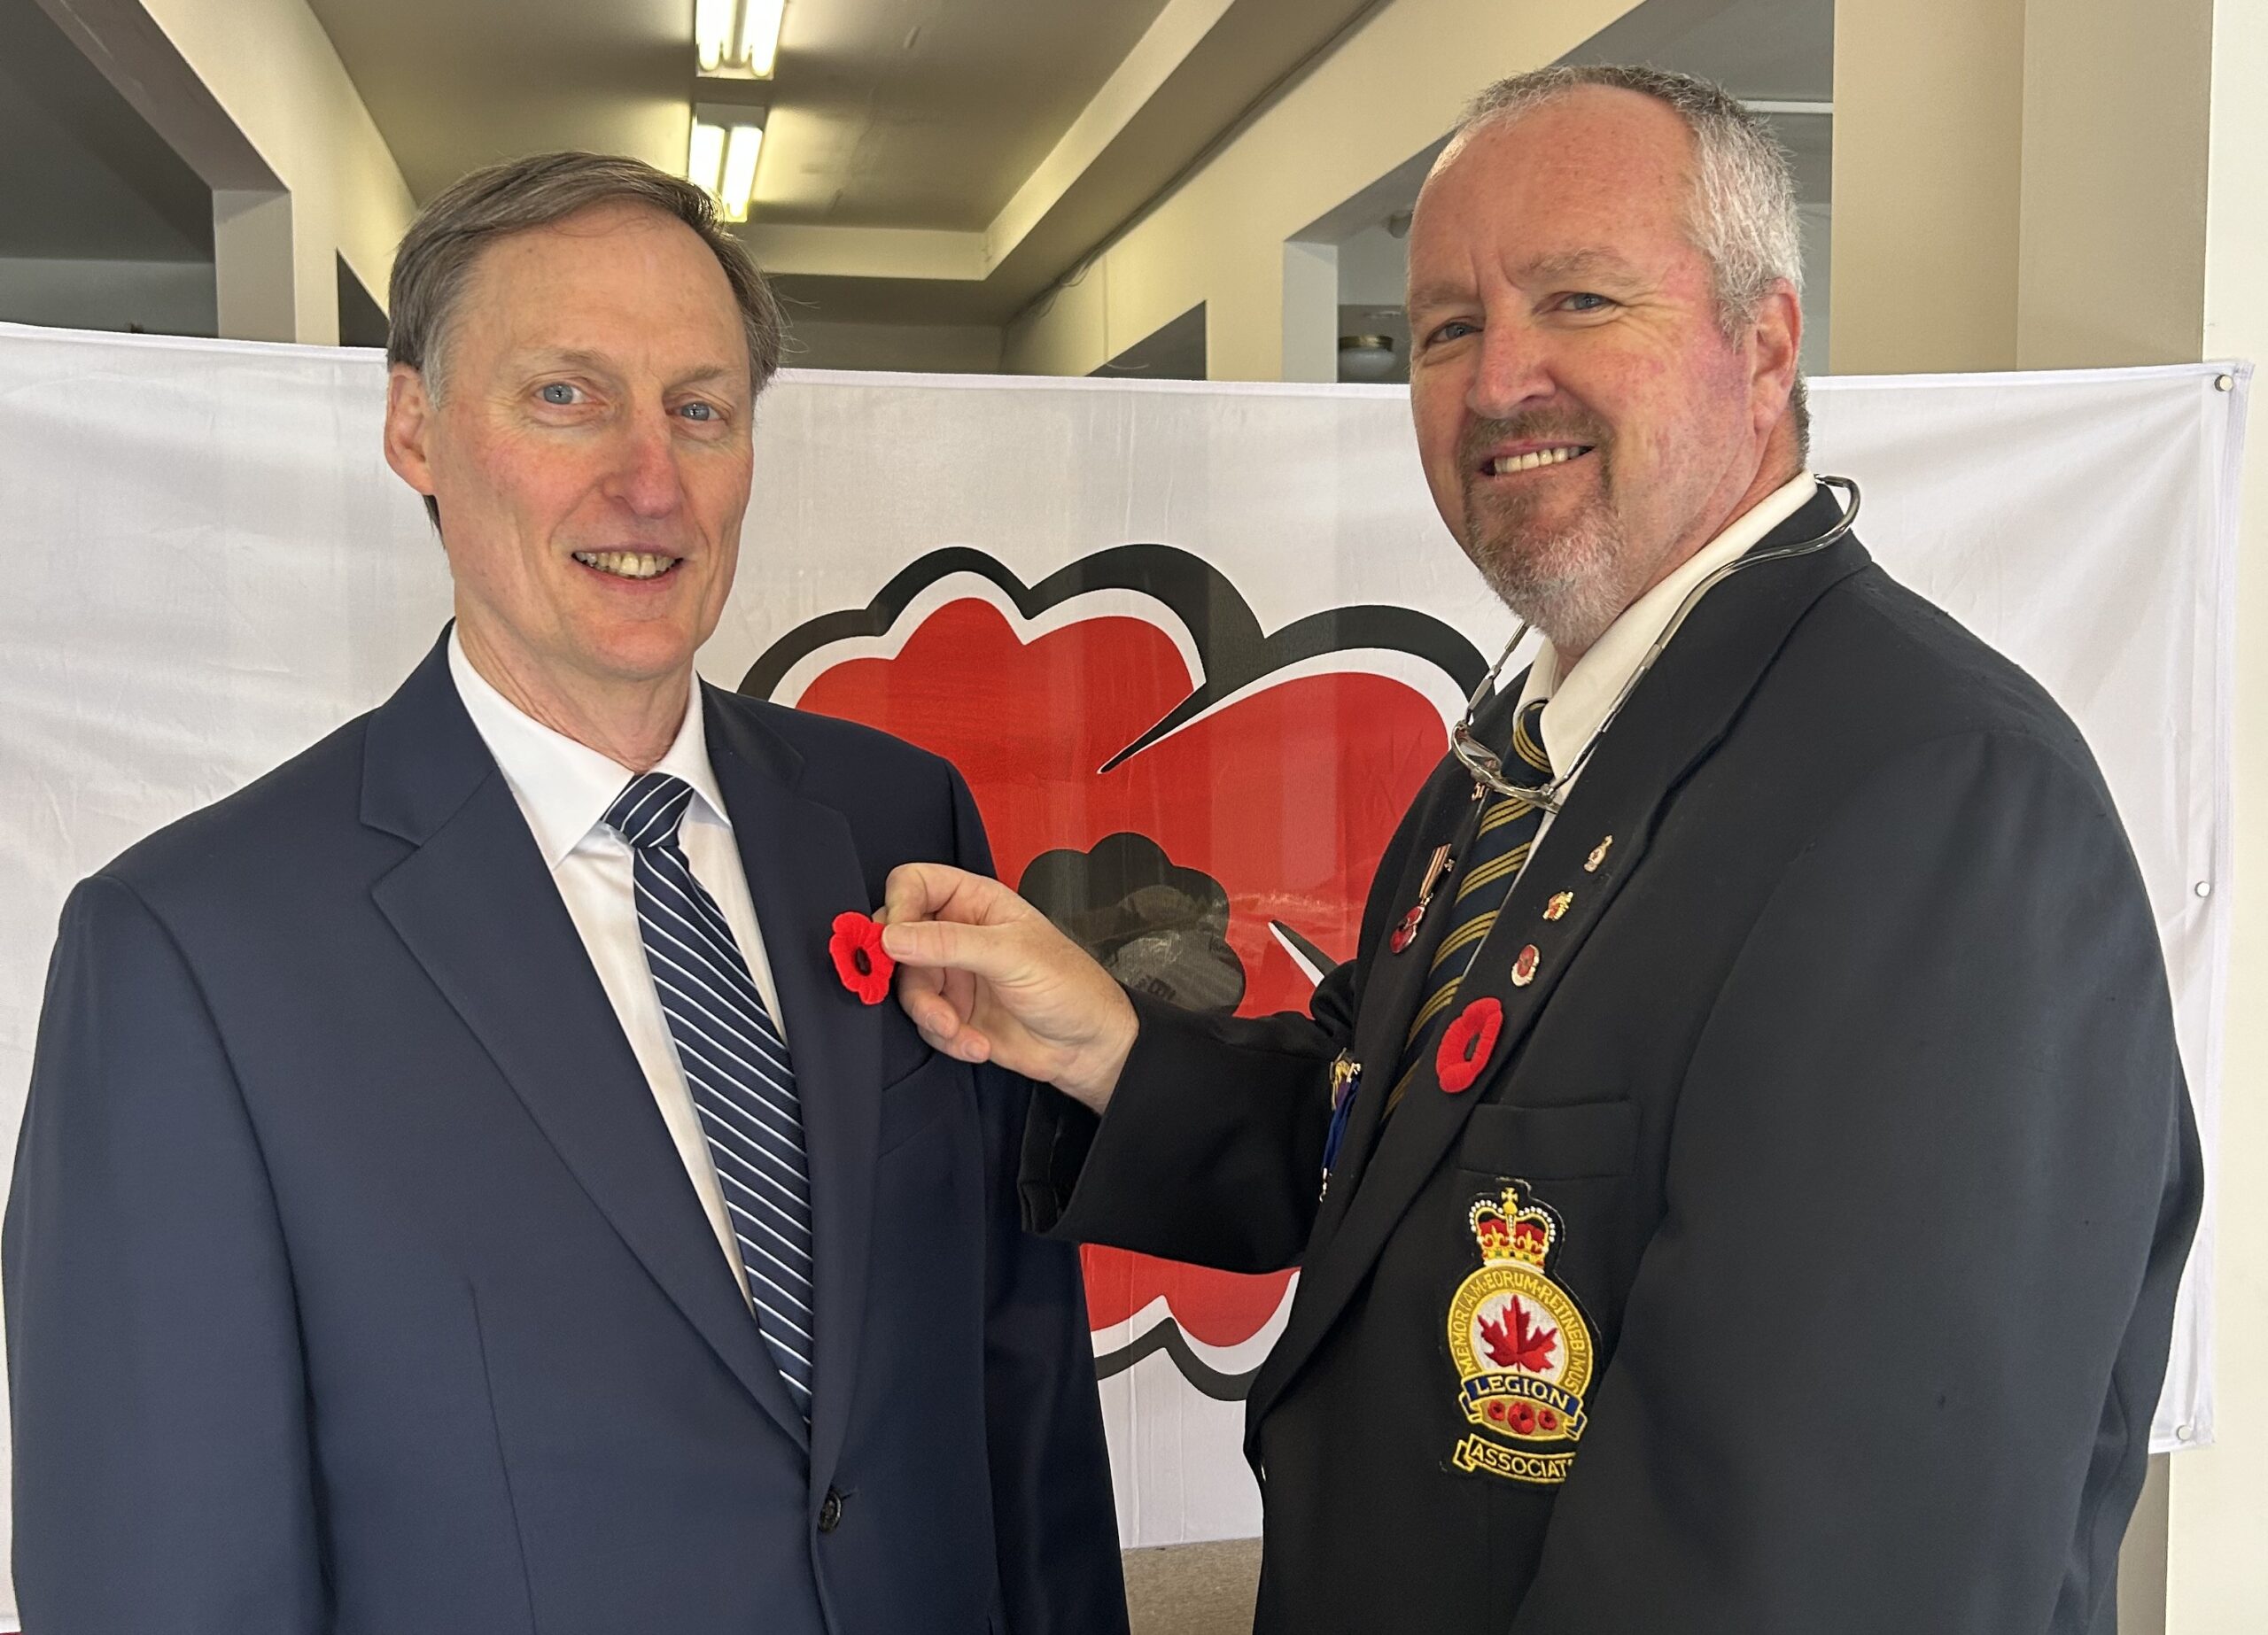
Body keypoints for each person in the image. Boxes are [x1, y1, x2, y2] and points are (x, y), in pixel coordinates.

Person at [880, 66, 2200, 1634]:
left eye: (1579, 299)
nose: (1502, 379)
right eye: (1445, 327)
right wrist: (1109, 1049)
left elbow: (1806, 1578)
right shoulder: (1518, 766)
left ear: (1764, 346)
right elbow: (1398, 1152)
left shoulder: (1935, 808)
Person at [4, 151, 1126, 1633]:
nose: (649, 480)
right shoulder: (189, 953)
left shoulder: (894, 818)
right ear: (415, 422)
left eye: (699, 409)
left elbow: (1018, 1386)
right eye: (565, 395)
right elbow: (162, 1580)